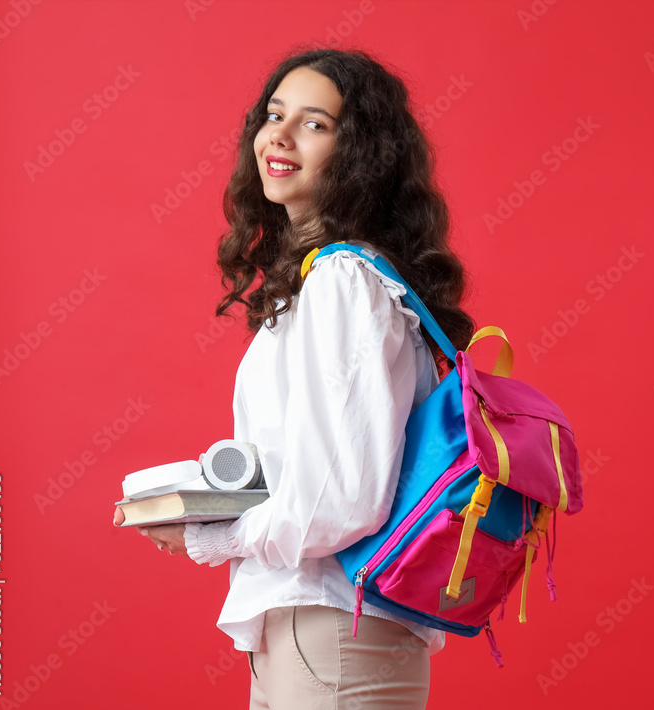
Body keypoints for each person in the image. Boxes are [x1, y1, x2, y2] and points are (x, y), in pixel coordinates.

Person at [113, 46, 476, 709]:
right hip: (312, 630)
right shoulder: (325, 281)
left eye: (314, 123)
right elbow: (310, 472)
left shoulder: (343, 282)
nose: (278, 135)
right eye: (274, 114)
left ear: (360, 152)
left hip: (333, 629)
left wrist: (210, 534)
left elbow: (339, 501)